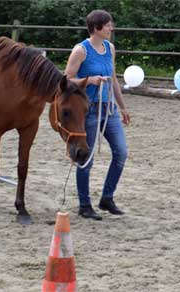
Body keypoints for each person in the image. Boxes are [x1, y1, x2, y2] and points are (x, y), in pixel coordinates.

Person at [65, 9, 130, 220]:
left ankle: (107, 197)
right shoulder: (81, 50)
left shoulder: (110, 48)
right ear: (97, 28)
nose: (111, 28)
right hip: (89, 108)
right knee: (87, 159)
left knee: (121, 152)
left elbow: (113, 79)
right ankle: (85, 205)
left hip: (108, 108)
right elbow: (66, 79)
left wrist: (122, 106)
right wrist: (89, 80)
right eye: (108, 25)